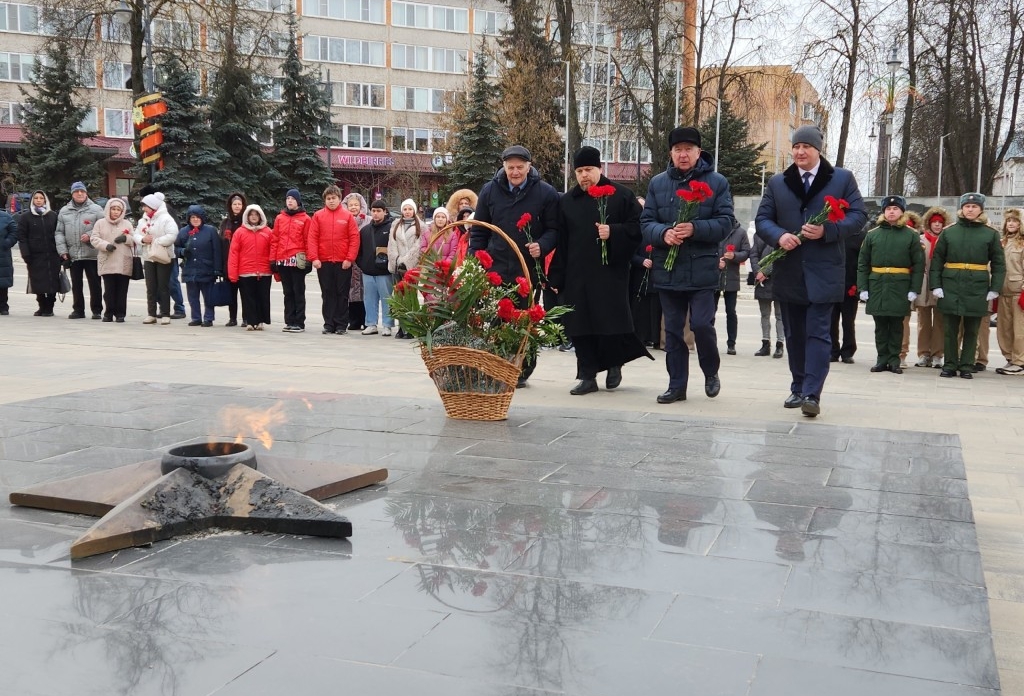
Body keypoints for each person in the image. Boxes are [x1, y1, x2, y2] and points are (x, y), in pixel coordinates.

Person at [755, 124, 866, 417]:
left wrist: (827, 231)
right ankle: (798, 385)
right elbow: (763, 218)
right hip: (790, 269)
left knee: (818, 333)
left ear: (818, 150)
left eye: (806, 147)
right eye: (796, 147)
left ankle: (812, 394)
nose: (800, 152)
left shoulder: (841, 178)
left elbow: (858, 216)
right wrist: (779, 236)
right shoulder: (778, 182)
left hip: (825, 271)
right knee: (794, 334)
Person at [640, 126, 734, 404]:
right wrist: (663, 234)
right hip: (668, 270)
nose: (683, 155)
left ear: (698, 152)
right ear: (671, 153)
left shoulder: (717, 182)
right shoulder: (658, 183)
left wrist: (695, 228)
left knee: (702, 324)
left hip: (702, 269)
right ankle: (676, 385)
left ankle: (710, 371)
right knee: (672, 331)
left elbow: (726, 222)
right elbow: (646, 223)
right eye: (678, 149)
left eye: (688, 150)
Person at [549, 145, 652, 395]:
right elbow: (561, 240)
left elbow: (639, 228)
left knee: (611, 323)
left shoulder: (621, 195)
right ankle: (587, 376)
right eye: (580, 171)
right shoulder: (567, 202)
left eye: (589, 170)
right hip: (577, 274)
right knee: (579, 325)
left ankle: (614, 364)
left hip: (610, 273)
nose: (584, 175)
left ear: (600, 168)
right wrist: (557, 274)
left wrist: (613, 232)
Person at [471, 144, 560, 386]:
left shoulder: (545, 192)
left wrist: (542, 245)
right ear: (503, 167)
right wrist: (475, 260)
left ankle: (523, 369)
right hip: (496, 267)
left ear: (529, 167)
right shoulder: (490, 191)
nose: (515, 172)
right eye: (510, 167)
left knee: (525, 318)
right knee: (497, 318)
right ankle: (499, 366)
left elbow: (555, 230)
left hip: (528, 268)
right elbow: (479, 230)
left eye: (520, 167)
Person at [930, 192, 1006, 378]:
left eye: (974, 206)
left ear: (981, 209)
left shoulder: (990, 234)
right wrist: (936, 285)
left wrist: (995, 288)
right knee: (950, 328)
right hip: (951, 284)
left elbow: (998, 263)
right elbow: (937, 261)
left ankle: (966, 365)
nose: (970, 209)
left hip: (977, 285)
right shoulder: (949, 232)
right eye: (967, 206)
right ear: (961, 208)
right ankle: (949, 364)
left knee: (973, 329)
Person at [856, 195, 925, 374]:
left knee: (896, 325)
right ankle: (881, 359)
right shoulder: (873, 235)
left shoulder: (911, 235)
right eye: (888, 209)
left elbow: (918, 265)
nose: (891, 212)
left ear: (902, 212)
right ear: (883, 212)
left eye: (895, 209)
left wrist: (914, 289)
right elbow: (863, 263)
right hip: (877, 284)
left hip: (899, 285)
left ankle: (894, 360)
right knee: (880, 325)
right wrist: (863, 288)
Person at [308, 185, 360, 335]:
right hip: (323, 262)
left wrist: (349, 258)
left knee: (342, 294)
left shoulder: (347, 216)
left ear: (339, 199)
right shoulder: (318, 216)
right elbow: (312, 238)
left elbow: (354, 238)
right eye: (328, 198)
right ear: (325, 200)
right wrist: (314, 258)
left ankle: (341, 324)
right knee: (327, 293)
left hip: (342, 262)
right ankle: (329, 324)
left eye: (334, 198)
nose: (331, 201)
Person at [54, 181, 104, 320]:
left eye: (82, 191)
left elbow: (103, 229)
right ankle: (78, 310)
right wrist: (63, 251)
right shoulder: (64, 211)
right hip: (73, 254)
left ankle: (97, 310)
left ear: (86, 193)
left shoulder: (96, 209)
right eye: (76, 192)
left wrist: (90, 236)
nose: (80, 194)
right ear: (72, 194)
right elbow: (59, 233)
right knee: (76, 284)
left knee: (95, 283)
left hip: (92, 254)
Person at [132, 192, 178, 325]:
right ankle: (151, 313)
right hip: (148, 257)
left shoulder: (166, 218)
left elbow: (172, 235)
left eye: (145, 206)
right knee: (150, 286)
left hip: (163, 256)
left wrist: (155, 242)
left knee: (163, 286)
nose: (143, 209)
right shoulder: (143, 220)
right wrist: (142, 239)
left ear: (153, 206)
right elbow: (135, 235)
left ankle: (165, 314)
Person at [271, 189, 311, 333]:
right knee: (287, 292)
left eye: (293, 199)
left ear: (298, 201)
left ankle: (299, 322)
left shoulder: (305, 219)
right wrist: (273, 259)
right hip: (282, 259)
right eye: (288, 198)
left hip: (297, 259)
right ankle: (289, 320)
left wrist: (309, 260)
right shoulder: (280, 218)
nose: (290, 201)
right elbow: (275, 239)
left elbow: (308, 240)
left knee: (298, 291)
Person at [175, 205, 223, 327]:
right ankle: (196, 317)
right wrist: (182, 251)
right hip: (190, 269)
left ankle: (208, 318)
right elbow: (176, 248)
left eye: (197, 217)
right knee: (193, 297)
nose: (195, 219)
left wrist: (218, 269)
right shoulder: (184, 232)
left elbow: (216, 250)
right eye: (192, 217)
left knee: (208, 296)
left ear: (202, 218)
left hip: (207, 269)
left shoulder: (210, 231)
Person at [89, 197, 135, 322]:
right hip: (107, 260)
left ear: (122, 211)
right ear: (108, 209)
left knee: (122, 290)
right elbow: (94, 238)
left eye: (118, 210)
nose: (115, 212)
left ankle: (120, 314)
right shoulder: (100, 223)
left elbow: (135, 239)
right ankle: (108, 312)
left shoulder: (127, 224)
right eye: (113, 209)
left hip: (123, 262)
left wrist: (126, 239)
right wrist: (105, 245)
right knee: (109, 291)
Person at [914, 206, 949, 367]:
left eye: (940, 222)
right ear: (929, 223)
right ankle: (923, 353)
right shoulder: (921, 239)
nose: (937, 225)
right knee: (923, 321)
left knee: (940, 321)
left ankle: (937, 354)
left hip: (941, 282)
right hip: (923, 281)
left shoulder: (947, 238)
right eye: (934, 222)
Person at [228, 204, 273, 330]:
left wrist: (275, 269)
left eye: (256, 214)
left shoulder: (268, 232)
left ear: (260, 216)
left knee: (262, 297)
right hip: (246, 271)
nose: (253, 217)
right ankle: (250, 322)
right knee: (248, 298)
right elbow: (233, 253)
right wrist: (233, 273)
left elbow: (273, 250)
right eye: (251, 215)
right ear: (247, 217)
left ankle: (260, 321)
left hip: (264, 271)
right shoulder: (240, 232)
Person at [16, 191, 60, 316]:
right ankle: (42, 305)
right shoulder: (26, 217)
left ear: (45, 200)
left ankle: (50, 307)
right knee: (37, 281)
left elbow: (59, 234)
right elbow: (22, 236)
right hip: (34, 256)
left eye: (41, 198)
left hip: (52, 254)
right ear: (32, 200)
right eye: (36, 198)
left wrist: (61, 252)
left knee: (52, 281)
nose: (39, 200)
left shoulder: (52, 216)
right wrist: (25, 253)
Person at [830, 219, 866, 364]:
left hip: (850, 286)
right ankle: (832, 351)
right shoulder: (831, 234)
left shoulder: (859, 236)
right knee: (831, 321)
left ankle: (848, 351)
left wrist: (858, 285)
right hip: (831, 285)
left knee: (848, 321)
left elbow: (862, 263)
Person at [357, 199, 395, 336]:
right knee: (369, 299)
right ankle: (371, 323)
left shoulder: (391, 229)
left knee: (387, 299)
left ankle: (387, 325)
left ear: (385, 212)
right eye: (373, 211)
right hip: (368, 272)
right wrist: (363, 265)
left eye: (379, 211)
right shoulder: (365, 230)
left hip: (385, 272)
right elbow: (358, 251)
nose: (376, 214)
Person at [388, 198, 424, 339]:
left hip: (411, 267)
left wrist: (406, 261)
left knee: (410, 297)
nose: (407, 212)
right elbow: (392, 244)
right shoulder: (396, 225)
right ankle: (401, 327)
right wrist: (396, 259)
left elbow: (418, 247)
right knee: (398, 297)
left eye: (410, 209)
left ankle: (411, 328)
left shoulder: (421, 226)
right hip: (397, 266)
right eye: (405, 209)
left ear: (414, 210)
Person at [715, 218, 751, 355]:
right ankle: (709, 342)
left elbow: (746, 252)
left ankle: (731, 344)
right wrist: (716, 261)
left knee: (731, 312)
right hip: (715, 277)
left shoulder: (740, 232)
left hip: (732, 277)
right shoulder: (716, 229)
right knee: (710, 311)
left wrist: (734, 255)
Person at [996, 208, 1024, 374]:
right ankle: (1010, 358)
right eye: (1009, 220)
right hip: (1003, 291)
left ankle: (1019, 362)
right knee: (1004, 329)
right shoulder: (1002, 242)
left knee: (1019, 329)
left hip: (1018, 292)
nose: (1011, 223)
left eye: (1015, 221)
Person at [749, 234, 784, 358]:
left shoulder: (783, 234)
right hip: (762, 282)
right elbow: (753, 254)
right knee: (764, 315)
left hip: (780, 280)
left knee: (780, 315)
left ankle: (780, 344)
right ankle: (765, 343)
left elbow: (781, 256)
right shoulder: (759, 235)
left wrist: (765, 271)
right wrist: (757, 271)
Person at [219, 192, 247, 326]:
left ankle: (246, 318)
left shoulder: (246, 222)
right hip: (228, 263)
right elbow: (221, 242)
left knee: (245, 293)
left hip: (244, 263)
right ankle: (232, 318)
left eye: (239, 204)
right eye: (234, 204)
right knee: (231, 292)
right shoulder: (225, 223)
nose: (237, 206)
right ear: (230, 206)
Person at [344, 193, 370, 331]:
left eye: (356, 205)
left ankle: (367, 320)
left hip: (364, 260)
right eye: (351, 205)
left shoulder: (369, 220)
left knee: (366, 290)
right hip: (349, 261)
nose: (353, 208)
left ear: (362, 206)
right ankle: (353, 320)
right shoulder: (344, 220)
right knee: (351, 291)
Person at [0, 206, 17, 315]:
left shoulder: (5, 217)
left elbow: (14, 232)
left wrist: (6, 243)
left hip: (2, 254)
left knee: (2, 282)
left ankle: (3, 306)